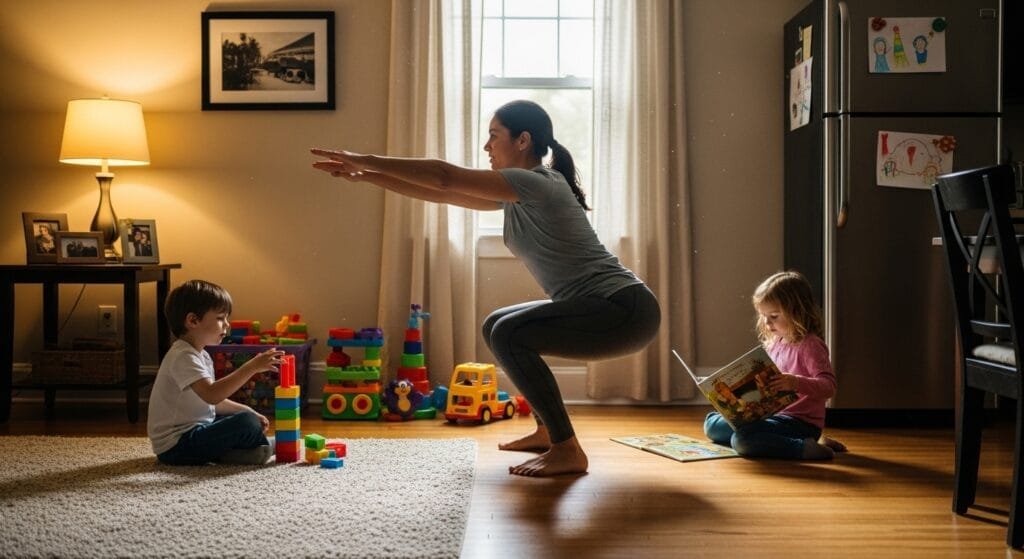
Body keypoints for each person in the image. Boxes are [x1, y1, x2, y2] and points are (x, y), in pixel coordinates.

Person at [311, 99, 661, 477]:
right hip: (612, 309)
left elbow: (444, 176)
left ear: (523, 140)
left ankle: (567, 449)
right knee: (497, 323)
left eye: (494, 136)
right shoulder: (518, 194)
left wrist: (361, 158)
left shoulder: (539, 183)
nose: (486, 146)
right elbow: (443, 193)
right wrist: (365, 176)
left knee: (510, 332)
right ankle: (548, 432)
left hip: (624, 310)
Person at [704, 270, 845, 460]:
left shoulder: (810, 345)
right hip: (770, 415)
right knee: (712, 425)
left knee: (742, 440)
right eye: (763, 316)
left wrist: (795, 383)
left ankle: (803, 447)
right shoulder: (775, 342)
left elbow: (829, 387)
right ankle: (803, 440)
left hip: (798, 422)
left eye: (774, 316)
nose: (766, 322)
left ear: (797, 312)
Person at [147, 279, 284, 465]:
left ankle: (234, 454)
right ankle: (262, 447)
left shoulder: (200, 355)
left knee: (244, 418)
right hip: (176, 447)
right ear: (193, 321)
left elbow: (212, 403)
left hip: (197, 430)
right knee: (245, 423)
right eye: (220, 318)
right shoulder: (183, 356)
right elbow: (212, 395)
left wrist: (249, 409)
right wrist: (251, 367)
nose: (227, 324)